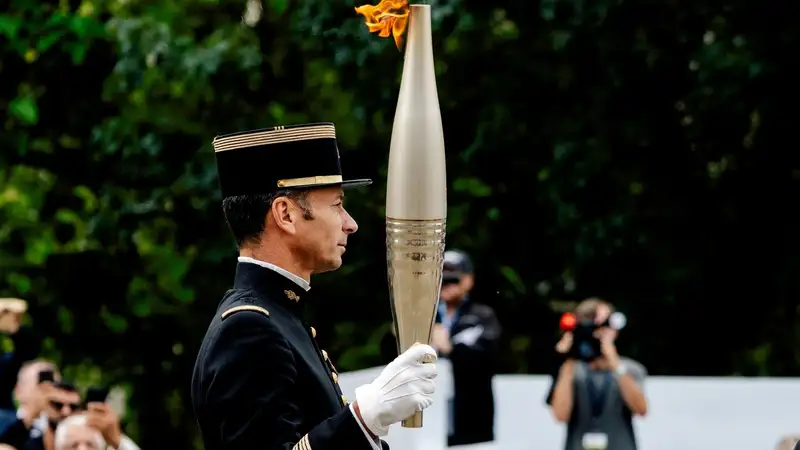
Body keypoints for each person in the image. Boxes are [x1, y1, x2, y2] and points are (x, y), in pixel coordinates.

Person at [191, 122, 438, 450]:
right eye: (336, 204)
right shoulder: (250, 328)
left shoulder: (276, 316)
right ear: (285, 215)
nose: (351, 223)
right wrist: (364, 419)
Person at [545, 298, 648, 450]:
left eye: (605, 325)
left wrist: (615, 364)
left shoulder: (630, 369)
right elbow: (560, 415)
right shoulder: (569, 369)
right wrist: (568, 360)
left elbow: (641, 409)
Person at [430, 249, 501, 447]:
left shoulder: (482, 316)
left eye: (455, 279)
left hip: (472, 418)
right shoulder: (426, 316)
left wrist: (449, 348)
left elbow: (488, 356)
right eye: (443, 279)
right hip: (430, 417)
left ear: (468, 280)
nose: (447, 285)